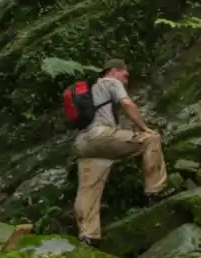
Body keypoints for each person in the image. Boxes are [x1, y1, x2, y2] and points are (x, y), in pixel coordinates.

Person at [72, 58, 175, 247]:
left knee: (88, 188)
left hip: (83, 144)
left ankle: (89, 235)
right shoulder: (111, 82)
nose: (126, 80)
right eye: (125, 74)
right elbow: (128, 105)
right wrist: (145, 128)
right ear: (112, 70)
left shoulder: (91, 91)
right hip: (101, 136)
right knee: (151, 139)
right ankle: (156, 191)